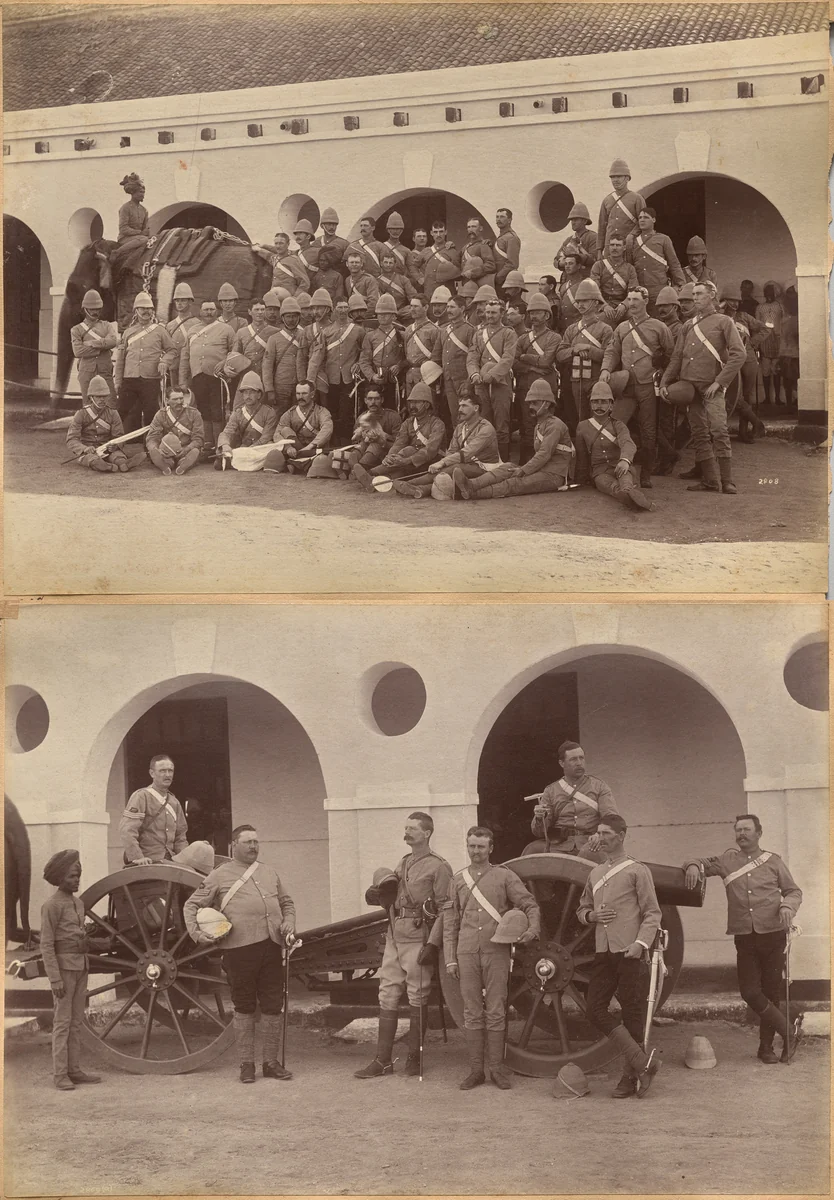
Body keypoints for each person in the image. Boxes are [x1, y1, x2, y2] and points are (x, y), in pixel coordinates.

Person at [683, 814, 803, 1064]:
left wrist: (787, 907)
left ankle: (766, 1048)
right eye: (738, 830)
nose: (742, 834)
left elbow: (793, 891)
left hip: (773, 935)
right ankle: (790, 1032)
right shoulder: (727, 861)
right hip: (745, 937)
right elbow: (698, 861)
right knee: (749, 991)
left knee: (771, 992)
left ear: (759, 833)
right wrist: (693, 866)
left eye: (747, 830)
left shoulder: (773, 862)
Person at [184, 824, 296, 1084]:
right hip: (239, 950)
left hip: (271, 946)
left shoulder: (269, 872)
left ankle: (270, 1063)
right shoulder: (219, 875)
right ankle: (247, 1065)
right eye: (247, 842)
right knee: (244, 1006)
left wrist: (289, 921)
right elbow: (192, 904)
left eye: (256, 842)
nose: (254, 846)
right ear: (234, 846)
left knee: (272, 1005)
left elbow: (287, 903)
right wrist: (197, 935)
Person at [355, 813, 452, 1079]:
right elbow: (394, 896)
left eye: (412, 829)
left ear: (427, 833)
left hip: (419, 937)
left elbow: (447, 909)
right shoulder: (404, 862)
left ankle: (414, 1059)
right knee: (386, 993)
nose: (407, 833)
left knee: (417, 995)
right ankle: (382, 1060)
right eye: (405, 828)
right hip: (395, 935)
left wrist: (433, 944)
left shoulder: (439, 867)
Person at [444, 826, 540, 1090]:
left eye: (481, 847)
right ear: (468, 847)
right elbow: (450, 922)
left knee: (497, 1009)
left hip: (496, 951)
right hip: (466, 952)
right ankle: (476, 1071)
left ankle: (496, 1070)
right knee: (472, 1011)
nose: (476, 851)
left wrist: (532, 929)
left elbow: (529, 904)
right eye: (472, 846)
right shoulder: (458, 880)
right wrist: (450, 959)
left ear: (491, 849)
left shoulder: (503, 876)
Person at [576, 815, 663, 1098]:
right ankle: (642, 1062)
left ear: (622, 835)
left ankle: (629, 1077)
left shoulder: (637, 870)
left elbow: (652, 912)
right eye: (598, 833)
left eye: (607, 833)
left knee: (632, 1012)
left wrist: (640, 943)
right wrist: (591, 915)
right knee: (595, 1010)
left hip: (630, 951)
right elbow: (583, 908)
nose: (600, 838)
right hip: (603, 950)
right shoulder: (595, 872)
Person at [660, 280, 746, 494]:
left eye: (699, 294)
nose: (695, 298)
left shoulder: (724, 321)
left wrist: (719, 382)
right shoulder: (688, 325)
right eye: (693, 295)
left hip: (712, 388)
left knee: (719, 430)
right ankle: (709, 480)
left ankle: (727, 481)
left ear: (712, 296)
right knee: (699, 433)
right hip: (690, 388)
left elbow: (739, 354)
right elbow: (677, 357)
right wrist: (665, 382)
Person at [600, 285, 674, 486]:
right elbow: (612, 351)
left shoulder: (659, 327)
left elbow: (671, 355)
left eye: (636, 300)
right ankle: (616, 470)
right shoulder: (621, 328)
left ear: (646, 302)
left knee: (648, 430)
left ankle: (646, 476)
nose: (631, 304)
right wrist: (606, 369)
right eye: (629, 299)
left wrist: (663, 377)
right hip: (626, 386)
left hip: (648, 385)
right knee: (618, 425)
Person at [41, 850, 102, 1090]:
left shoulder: (78, 903)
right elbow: (46, 945)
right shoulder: (51, 906)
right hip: (64, 971)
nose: (76, 880)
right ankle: (59, 1075)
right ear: (59, 878)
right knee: (62, 1023)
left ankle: (74, 1070)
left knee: (77, 1021)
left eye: (78, 876)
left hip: (81, 967)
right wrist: (55, 979)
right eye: (71, 877)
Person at [455, 379, 573, 500]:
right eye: (530, 403)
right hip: (541, 470)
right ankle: (471, 484)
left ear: (547, 404)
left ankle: (471, 494)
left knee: (515, 483)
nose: (531, 407)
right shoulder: (539, 425)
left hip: (554, 475)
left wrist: (523, 470)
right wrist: (522, 469)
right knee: (507, 468)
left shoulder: (555, 425)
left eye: (535, 403)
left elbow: (544, 455)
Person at [394, 392, 498, 499]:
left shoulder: (486, 428)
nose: (460, 410)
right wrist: (444, 463)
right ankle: (420, 490)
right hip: (466, 465)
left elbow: (467, 453)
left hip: (485, 468)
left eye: (464, 406)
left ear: (476, 408)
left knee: (452, 468)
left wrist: (442, 462)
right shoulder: (460, 427)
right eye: (459, 406)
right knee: (445, 472)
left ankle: (410, 483)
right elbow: (452, 450)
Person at [526, 741, 619, 858]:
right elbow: (539, 832)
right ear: (562, 763)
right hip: (559, 848)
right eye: (573, 759)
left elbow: (611, 818)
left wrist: (600, 835)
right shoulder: (551, 790)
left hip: (593, 845)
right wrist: (540, 817)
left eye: (581, 758)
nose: (579, 763)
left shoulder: (599, 786)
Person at [351, 382, 446, 491]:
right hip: (409, 463)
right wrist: (390, 456)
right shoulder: (408, 423)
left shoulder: (437, 424)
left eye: (417, 402)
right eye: (411, 403)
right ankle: (372, 481)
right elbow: (399, 443)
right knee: (399, 468)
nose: (412, 406)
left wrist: (407, 460)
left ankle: (370, 474)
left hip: (431, 462)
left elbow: (431, 450)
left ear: (427, 405)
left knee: (408, 451)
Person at [575, 381, 653, 511]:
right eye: (595, 401)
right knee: (608, 485)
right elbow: (582, 457)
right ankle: (629, 498)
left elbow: (627, 443)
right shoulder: (582, 427)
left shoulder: (619, 425)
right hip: (600, 471)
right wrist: (580, 479)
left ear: (611, 405)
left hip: (621, 466)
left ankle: (630, 492)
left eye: (604, 402)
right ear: (590, 404)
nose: (599, 405)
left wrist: (625, 460)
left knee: (626, 480)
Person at [115, 291, 178, 432]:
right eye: (142, 308)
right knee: (121, 412)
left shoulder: (160, 331)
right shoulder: (128, 332)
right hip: (129, 378)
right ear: (136, 311)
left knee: (151, 414)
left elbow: (172, 350)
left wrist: (164, 362)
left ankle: (150, 446)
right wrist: (118, 381)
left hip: (150, 379)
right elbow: (120, 360)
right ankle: (112, 443)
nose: (146, 311)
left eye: (149, 309)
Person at [179, 299, 236, 453]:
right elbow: (185, 356)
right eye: (206, 309)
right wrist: (182, 380)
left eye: (211, 309)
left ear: (216, 311)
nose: (209, 312)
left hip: (218, 378)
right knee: (203, 410)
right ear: (200, 311)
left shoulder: (227, 329)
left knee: (217, 410)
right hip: (198, 376)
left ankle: (219, 444)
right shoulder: (192, 331)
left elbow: (234, 352)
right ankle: (207, 444)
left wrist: (225, 363)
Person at [309, 384, 401, 479]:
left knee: (375, 445)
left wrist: (383, 436)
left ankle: (358, 472)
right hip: (365, 449)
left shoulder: (393, 417)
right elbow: (354, 441)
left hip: (385, 452)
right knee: (356, 452)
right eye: (370, 399)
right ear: (365, 400)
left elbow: (399, 442)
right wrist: (362, 436)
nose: (373, 402)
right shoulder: (362, 417)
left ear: (382, 400)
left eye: (376, 399)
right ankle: (359, 471)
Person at [556, 278, 613, 429]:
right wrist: (574, 350)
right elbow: (560, 355)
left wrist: (588, 349)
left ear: (595, 302)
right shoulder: (572, 329)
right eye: (579, 301)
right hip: (576, 380)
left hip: (596, 379)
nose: (580, 304)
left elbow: (610, 355)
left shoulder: (605, 329)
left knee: (599, 418)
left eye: (585, 301)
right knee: (581, 419)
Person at [466, 297, 518, 460]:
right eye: (487, 312)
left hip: (500, 383)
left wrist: (491, 375)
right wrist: (474, 373)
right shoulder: (478, 334)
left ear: (502, 314)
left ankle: (502, 460)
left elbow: (507, 359)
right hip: (480, 383)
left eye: (494, 313)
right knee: (484, 421)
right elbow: (472, 357)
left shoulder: (508, 333)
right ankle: (486, 458)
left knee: (502, 423)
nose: (489, 316)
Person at [512, 293, 561, 461]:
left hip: (547, 388)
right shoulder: (523, 338)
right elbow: (513, 362)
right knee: (527, 426)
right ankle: (525, 462)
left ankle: (545, 461)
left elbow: (546, 361)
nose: (533, 316)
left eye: (538, 312)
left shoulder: (554, 337)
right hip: (525, 387)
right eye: (531, 312)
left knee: (546, 424)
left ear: (547, 315)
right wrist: (533, 367)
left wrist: (525, 357)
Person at [719, 282, 769, 442]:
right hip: (729, 360)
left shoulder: (744, 317)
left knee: (747, 396)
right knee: (736, 396)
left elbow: (765, 329)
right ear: (723, 300)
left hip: (748, 359)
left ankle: (743, 432)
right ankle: (757, 424)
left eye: (736, 300)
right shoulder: (719, 319)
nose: (733, 304)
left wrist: (752, 343)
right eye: (729, 300)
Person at [311, 296, 366, 438]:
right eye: (339, 307)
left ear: (348, 309)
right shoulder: (326, 331)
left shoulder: (358, 330)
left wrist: (358, 363)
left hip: (349, 378)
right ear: (334, 309)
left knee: (347, 412)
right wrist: (310, 379)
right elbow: (318, 356)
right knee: (332, 412)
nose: (342, 310)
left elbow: (365, 352)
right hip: (331, 378)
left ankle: (346, 442)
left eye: (345, 307)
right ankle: (334, 442)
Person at [65, 375, 145, 472]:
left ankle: (124, 464)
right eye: (98, 397)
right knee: (92, 459)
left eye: (104, 396)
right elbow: (72, 439)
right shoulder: (81, 414)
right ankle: (106, 466)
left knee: (117, 456)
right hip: (88, 451)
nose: (102, 399)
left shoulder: (113, 413)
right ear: (91, 397)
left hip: (107, 449)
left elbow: (119, 436)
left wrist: (115, 445)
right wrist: (84, 448)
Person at [119, 754, 188, 864]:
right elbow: (127, 830)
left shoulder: (174, 802)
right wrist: (138, 857)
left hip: (170, 862)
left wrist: (184, 861)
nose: (167, 775)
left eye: (170, 771)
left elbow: (180, 836)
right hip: (147, 861)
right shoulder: (141, 796)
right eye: (162, 771)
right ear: (152, 773)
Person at [264, 380, 333, 474]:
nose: (300, 397)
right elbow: (277, 433)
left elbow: (327, 429)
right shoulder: (290, 413)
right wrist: (287, 447)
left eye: (304, 393)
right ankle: (300, 463)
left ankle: (296, 464)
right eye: (298, 394)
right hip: (296, 450)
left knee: (322, 459)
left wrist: (310, 446)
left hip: (313, 450)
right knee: (285, 430)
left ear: (312, 395)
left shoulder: (321, 412)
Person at [625, 209, 685, 312]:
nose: (642, 220)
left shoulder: (663, 239)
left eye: (646, 217)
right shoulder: (633, 242)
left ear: (653, 220)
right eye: (640, 218)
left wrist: (681, 284)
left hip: (659, 289)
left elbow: (674, 264)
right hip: (640, 291)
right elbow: (630, 267)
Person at [216, 372, 278, 469]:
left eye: (252, 392)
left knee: (271, 451)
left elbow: (266, 437)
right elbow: (227, 432)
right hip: (243, 448)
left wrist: (248, 450)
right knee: (220, 461)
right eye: (245, 392)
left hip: (260, 448)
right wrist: (225, 445)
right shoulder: (238, 413)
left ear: (259, 394)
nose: (248, 396)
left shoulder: (269, 413)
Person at [432, 294, 474, 428]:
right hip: (448, 381)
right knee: (454, 415)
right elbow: (436, 356)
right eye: (448, 307)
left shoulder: (470, 330)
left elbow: (474, 358)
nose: (448, 310)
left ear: (462, 309)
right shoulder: (443, 331)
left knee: (467, 416)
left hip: (464, 381)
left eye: (452, 307)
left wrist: (468, 381)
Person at [358, 294, 405, 409]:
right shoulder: (370, 336)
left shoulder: (402, 335)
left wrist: (399, 366)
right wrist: (372, 376)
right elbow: (364, 361)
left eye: (386, 314)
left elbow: (407, 358)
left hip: (394, 381)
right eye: (380, 314)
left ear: (394, 316)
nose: (382, 317)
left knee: (393, 410)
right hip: (375, 382)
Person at [71, 289, 118, 402]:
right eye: (92, 309)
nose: (95, 312)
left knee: (110, 404)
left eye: (97, 309)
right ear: (85, 309)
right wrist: (102, 348)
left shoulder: (106, 325)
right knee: (88, 406)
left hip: (105, 371)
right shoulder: (76, 329)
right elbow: (78, 351)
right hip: (87, 372)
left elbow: (113, 341)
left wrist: (92, 343)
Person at [145, 385, 205, 475]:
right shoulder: (161, 414)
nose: (179, 402)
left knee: (195, 452)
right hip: (166, 450)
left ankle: (183, 464)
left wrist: (187, 449)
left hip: (186, 448)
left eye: (181, 398)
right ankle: (165, 465)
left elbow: (198, 438)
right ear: (167, 400)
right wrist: (156, 449)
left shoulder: (194, 413)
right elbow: (152, 437)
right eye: (175, 399)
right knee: (161, 456)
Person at [224, 299, 278, 391]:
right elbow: (234, 354)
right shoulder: (242, 332)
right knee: (239, 405)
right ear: (249, 312)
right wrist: (227, 367)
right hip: (246, 377)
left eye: (262, 309)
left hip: (267, 378)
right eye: (256, 310)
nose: (260, 312)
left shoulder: (275, 332)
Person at [263, 296, 305, 411]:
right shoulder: (274, 339)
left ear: (299, 317)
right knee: (279, 417)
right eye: (288, 317)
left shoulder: (305, 335)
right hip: (280, 386)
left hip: (301, 386)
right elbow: (267, 366)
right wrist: (269, 390)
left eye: (294, 316)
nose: (291, 320)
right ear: (282, 318)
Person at [597, 159, 645, 252]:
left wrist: (632, 235)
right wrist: (599, 249)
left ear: (627, 178)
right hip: (610, 248)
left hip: (629, 246)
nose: (615, 180)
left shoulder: (637, 198)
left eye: (618, 176)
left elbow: (643, 222)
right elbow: (602, 226)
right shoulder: (607, 200)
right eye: (612, 177)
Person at [590, 234, 639, 324]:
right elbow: (594, 290)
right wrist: (604, 306)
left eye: (618, 245)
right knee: (595, 324)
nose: (614, 248)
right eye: (612, 245)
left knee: (637, 321)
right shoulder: (599, 266)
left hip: (623, 305)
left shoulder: (630, 268)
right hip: (603, 305)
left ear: (624, 248)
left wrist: (624, 305)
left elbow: (633, 292)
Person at [297, 286, 333, 399]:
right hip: (311, 377)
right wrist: (302, 381)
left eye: (319, 308)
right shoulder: (307, 330)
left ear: (328, 309)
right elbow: (301, 359)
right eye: (313, 309)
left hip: (332, 377)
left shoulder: (335, 328)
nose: (315, 312)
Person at [165, 282, 202, 380]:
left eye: (183, 300)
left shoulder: (198, 324)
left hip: (191, 368)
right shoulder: (170, 326)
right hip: (174, 368)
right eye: (177, 301)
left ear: (190, 302)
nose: (179, 303)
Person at [403, 295, 441, 391]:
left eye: (416, 306)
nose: (412, 309)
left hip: (427, 377)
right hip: (409, 377)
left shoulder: (434, 330)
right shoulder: (408, 330)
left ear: (426, 307)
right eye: (411, 306)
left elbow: (438, 357)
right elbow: (406, 353)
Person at [755, 281, 784, 406]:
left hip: (777, 339)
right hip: (765, 340)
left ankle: (777, 398)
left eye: (771, 292)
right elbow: (756, 324)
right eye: (767, 292)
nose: (769, 294)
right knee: (765, 371)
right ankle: (767, 398)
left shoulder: (780, 307)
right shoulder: (760, 307)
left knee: (776, 370)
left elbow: (784, 321)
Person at [422, 220, 461, 299]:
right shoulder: (426, 251)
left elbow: (458, 272)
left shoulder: (452, 251)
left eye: (441, 231)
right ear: (431, 233)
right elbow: (413, 265)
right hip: (429, 292)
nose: (438, 235)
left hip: (446, 291)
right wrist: (419, 278)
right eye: (435, 232)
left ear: (446, 232)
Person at [555, 202, 598, 271]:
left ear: (584, 221)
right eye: (571, 220)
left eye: (576, 219)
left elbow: (595, 259)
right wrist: (563, 262)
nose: (573, 222)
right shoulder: (568, 240)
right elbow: (557, 260)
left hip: (585, 277)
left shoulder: (593, 237)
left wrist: (573, 255)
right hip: (568, 278)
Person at [377, 249, 417, 317]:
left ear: (395, 264)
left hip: (403, 312)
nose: (388, 265)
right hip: (386, 312)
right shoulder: (377, 281)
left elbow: (413, 297)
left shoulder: (403, 279)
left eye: (391, 263)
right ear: (381, 264)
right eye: (386, 262)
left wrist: (410, 308)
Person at [778, 287, 799, 409]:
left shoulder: (800, 319)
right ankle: (790, 404)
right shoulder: (785, 319)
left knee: (794, 381)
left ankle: (795, 403)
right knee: (787, 382)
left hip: (796, 355)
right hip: (786, 354)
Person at [117, 172, 149, 250]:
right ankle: (117, 252)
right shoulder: (125, 208)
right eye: (140, 192)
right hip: (125, 239)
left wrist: (146, 231)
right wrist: (140, 233)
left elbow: (145, 227)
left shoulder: (144, 210)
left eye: (143, 192)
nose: (143, 195)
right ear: (133, 193)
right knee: (144, 239)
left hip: (139, 238)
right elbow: (123, 229)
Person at [493, 206, 521, 295]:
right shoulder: (502, 237)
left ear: (509, 220)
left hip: (504, 282)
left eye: (502, 217)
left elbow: (512, 263)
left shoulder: (512, 238)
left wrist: (497, 278)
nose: (498, 219)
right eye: (497, 217)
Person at [461, 217, 496, 288]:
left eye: (474, 227)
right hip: (466, 286)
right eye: (469, 227)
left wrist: (473, 272)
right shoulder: (465, 248)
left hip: (478, 285)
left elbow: (490, 265)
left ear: (481, 228)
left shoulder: (484, 245)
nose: (471, 230)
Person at [293, 218, 320, 288]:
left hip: (313, 287)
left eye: (300, 233)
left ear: (308, 236)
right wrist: (263, 247)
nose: (297, 236)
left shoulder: (317, 251)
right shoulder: (296, 253)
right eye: (296, 234)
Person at [406, 228, 429, 293]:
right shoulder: (410, 255)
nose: (422, 238)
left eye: (424, 236)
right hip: (417, 288)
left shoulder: (431, 253)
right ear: (413, 239)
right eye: (419, 236)